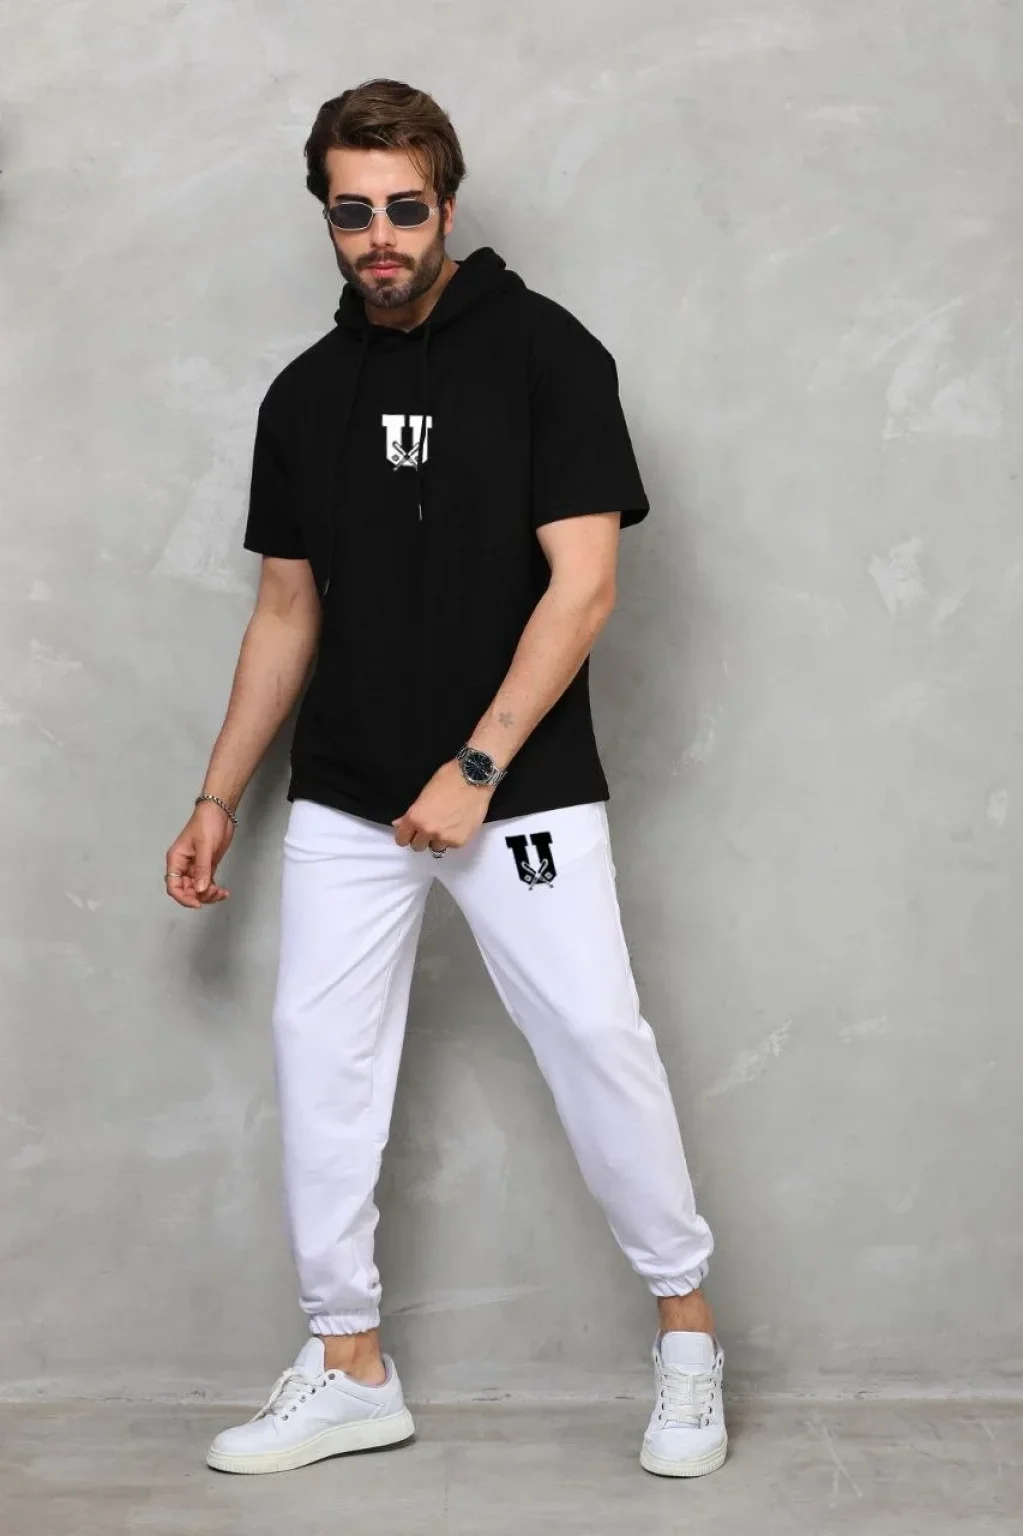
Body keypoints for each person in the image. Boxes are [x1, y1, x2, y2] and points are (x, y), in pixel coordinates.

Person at [164, 77, 726, 1480]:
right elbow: (285, 611)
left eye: (403, 208)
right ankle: (348, 1364)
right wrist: (219, 795)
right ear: (327, 219)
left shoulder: (549, 355)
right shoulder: (306, 395)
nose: (380, 237)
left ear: (447, 207)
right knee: (320, 1058)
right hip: (348, 792)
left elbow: (583, 589)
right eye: (351, 212)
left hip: (516, 789)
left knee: (594, 1035)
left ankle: (687, 1340)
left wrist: (478, 765)